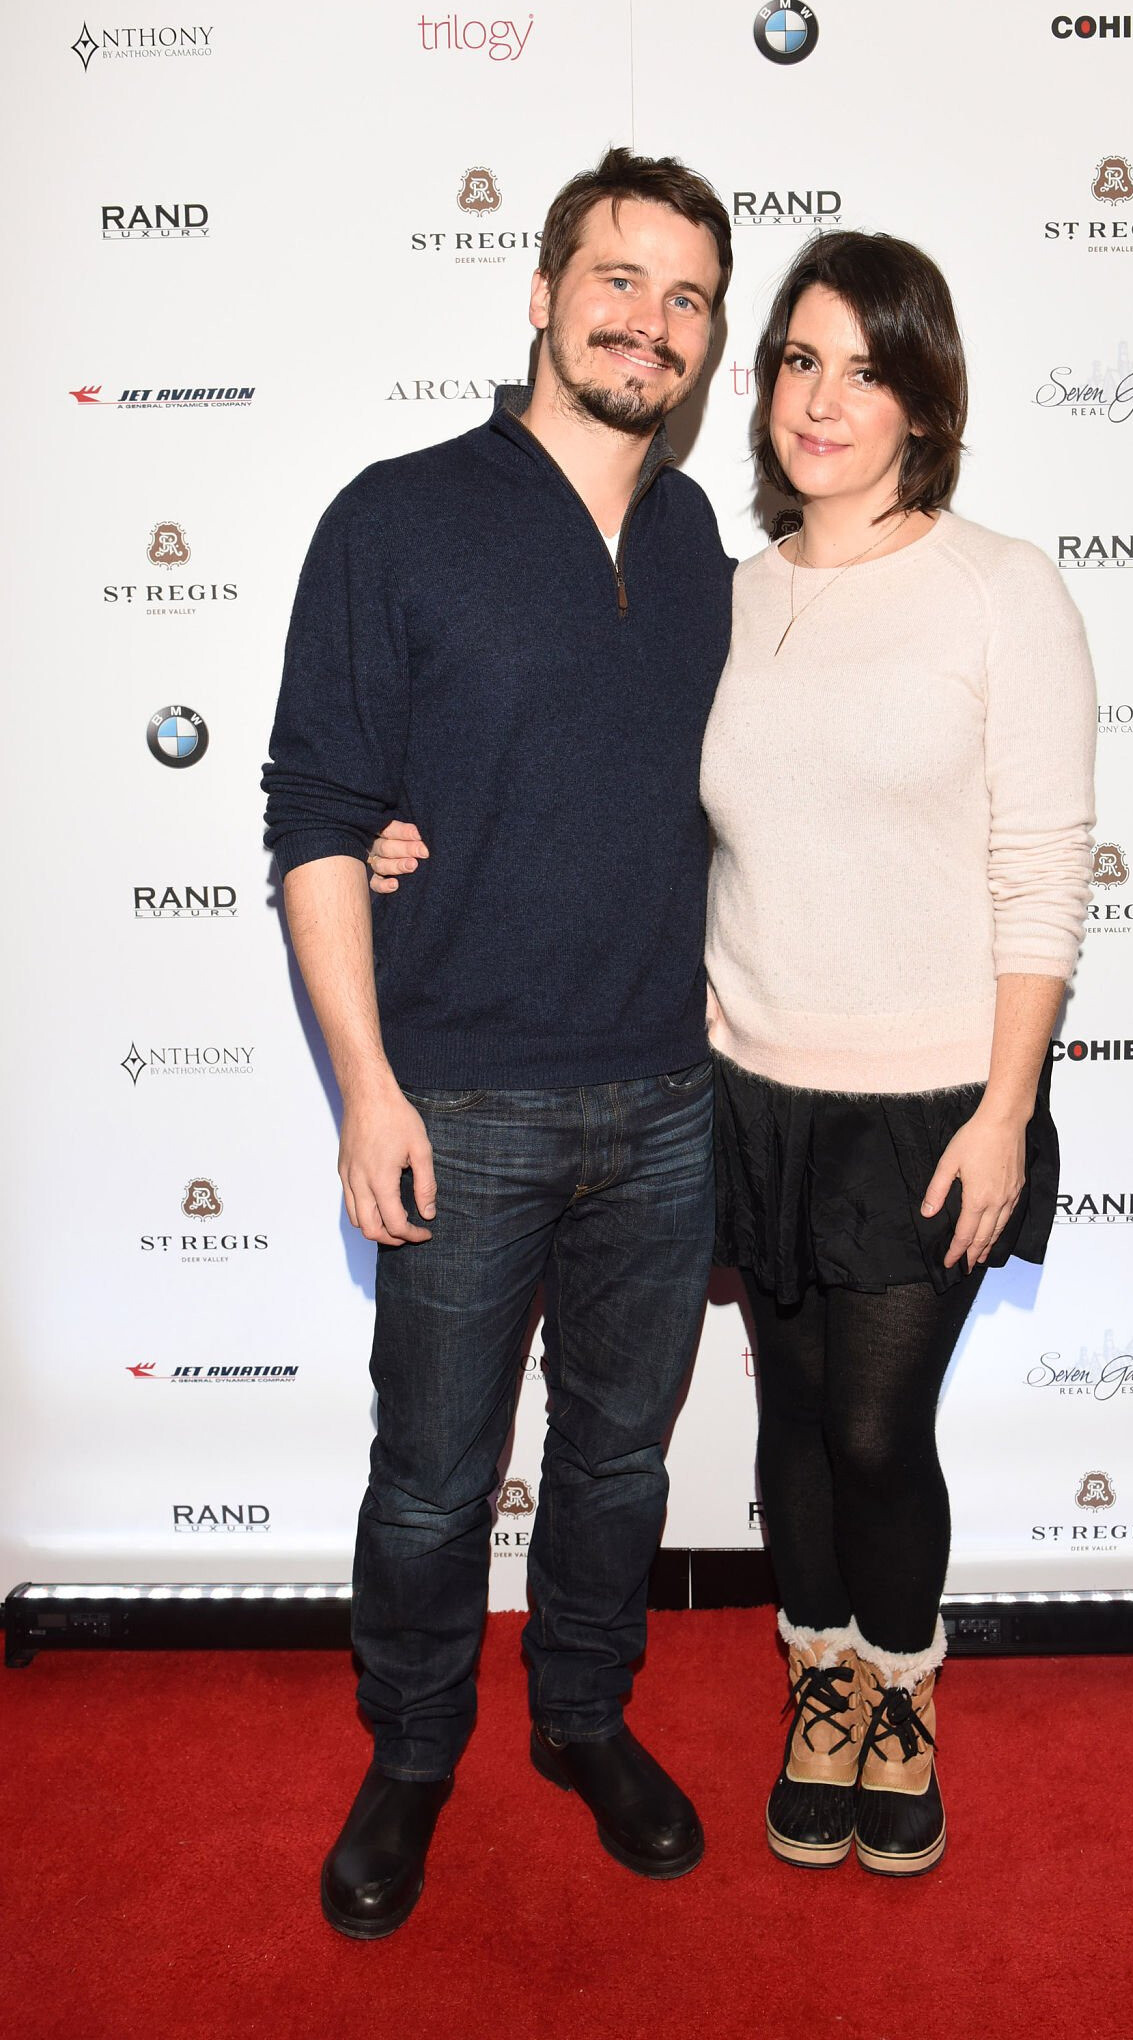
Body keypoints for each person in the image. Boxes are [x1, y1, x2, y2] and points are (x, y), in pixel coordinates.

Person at [370, 229, 1096, 1882]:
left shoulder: (999, 588)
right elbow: (593, 762)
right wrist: (402, 831)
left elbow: (1041, 865)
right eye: (798, 362)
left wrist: (1006, 1107)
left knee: (873, 1433)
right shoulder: (724, 585)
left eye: (866, 369)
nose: (823, 401)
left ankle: (899, 1696)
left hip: (930, 1103)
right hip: (745, 1089)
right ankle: (817, 1688)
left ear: (925, 401)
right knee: (789, 1426)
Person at [262, 148, 735, 1940]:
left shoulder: (694, 544)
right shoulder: (393, 518)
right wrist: (365, 1089)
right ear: (540, 295)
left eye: (687, 298)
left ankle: (584, 1718)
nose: (648, 322)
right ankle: (410, 1752)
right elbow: (319, 817)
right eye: (617, 279)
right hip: (455, 1097)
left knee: (618, 1466)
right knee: (432, 1480)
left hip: (667, 1102)